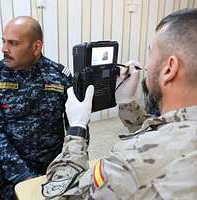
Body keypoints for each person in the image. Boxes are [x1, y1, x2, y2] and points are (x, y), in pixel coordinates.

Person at [43, 8, 197, 199]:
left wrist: (76, 130)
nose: (147, 66)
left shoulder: (130, 164)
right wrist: (127, 102)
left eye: (151, 55)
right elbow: (167, 134)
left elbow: (59, 194)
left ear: (169, 69)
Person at [0, 16, 72, 199]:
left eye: (13, 43)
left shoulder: (60, 76)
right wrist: (25, 176)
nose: (4, 49)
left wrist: (68, 168)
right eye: (4, 41)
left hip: (56, 171)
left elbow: (76, 127)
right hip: (14, 177)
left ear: (36, 47)